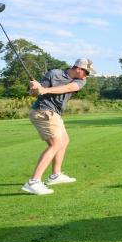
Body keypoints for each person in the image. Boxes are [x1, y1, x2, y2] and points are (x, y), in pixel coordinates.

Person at [21, 58, 94, 195]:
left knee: (64, 141)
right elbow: (35, 94)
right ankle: (33, 182)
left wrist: (44, 89)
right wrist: (35, 88)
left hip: (55, 113)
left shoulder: (80, 81)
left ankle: (55, 175)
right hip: (42, 111)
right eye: (87, 72)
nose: (87, 75)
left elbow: (68, 88)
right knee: (55, 144)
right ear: (79, 68)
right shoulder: (53, 74)